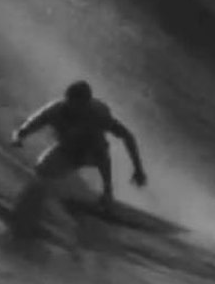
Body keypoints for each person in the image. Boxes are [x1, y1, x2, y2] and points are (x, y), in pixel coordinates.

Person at [8, 80, 147, 238]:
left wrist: (137, 169)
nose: (78, 109)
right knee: (42, 169)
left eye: (82, 105)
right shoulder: (56, 110)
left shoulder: (97, 115)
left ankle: (106, 196)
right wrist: (19, 136)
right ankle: (51, 202)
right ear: (68, 99)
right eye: (74, 104)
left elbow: (126, 137)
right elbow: (33, 123)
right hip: (68, 151)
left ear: (87, 103)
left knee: (98, 148)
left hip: (92, 153)